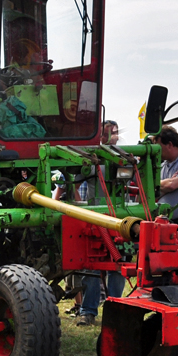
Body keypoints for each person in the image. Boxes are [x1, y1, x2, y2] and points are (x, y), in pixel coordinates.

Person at [74, 120, 126, 325]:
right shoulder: (90, 159)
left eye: (115, 132)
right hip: (94, 221)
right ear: (100, 136)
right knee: (91, 266)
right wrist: (82, 210)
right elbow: (73, 185)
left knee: (118, 265)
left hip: (119, 220)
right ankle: (88, 311)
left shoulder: (124, 158)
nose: (113, 137)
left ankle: (115, 310)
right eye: (108, 133)